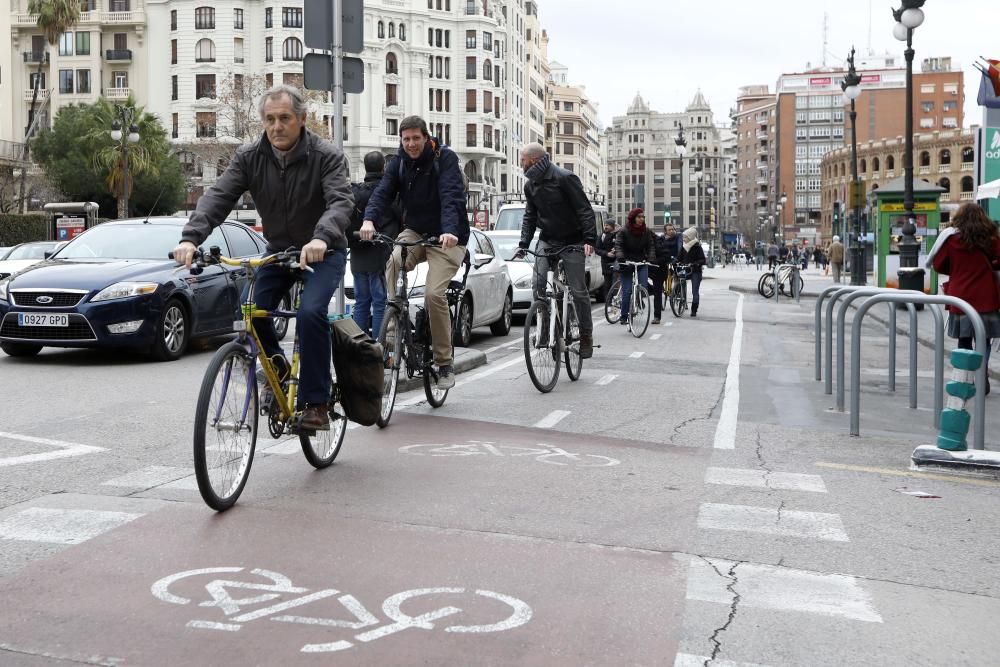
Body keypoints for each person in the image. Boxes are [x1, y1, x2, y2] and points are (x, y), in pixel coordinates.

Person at [172, 84, 352, 431]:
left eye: (284, 118)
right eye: (269, 119)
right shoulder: (249, 157)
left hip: (322, 251)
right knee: (249, 309)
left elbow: (341, 202)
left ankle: (316, 402)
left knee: (311, 313)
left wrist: (320, 237)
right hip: (279, 252)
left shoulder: (325, 156)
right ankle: (278, 372)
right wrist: (190, 238)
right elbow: (218, 197)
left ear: (302, 120)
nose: (276, 126)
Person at [360, 115, 468, 389]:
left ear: (426, 137)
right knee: (393, 261)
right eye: (405, 139)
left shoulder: (445, 159)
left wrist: (450, 230)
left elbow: (451, 196)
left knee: (433, 294)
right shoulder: (397, 163)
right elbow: (383, 193)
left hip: (448, 237)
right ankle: (394, 329)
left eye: (415, 138)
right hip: (417, 231)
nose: (410, 144)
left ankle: (444, 363)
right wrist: (369, 220)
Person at [515, 143, 596, 357]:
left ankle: (586, 335)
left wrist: (589, 239)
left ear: (532, 160)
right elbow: (530, 216)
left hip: (573, 240)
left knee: (578, 289)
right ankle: (544, 330)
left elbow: (584, 210)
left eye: (522, 160)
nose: (520, 163)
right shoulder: (530, 185)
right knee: (538, 284)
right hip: (548, 239)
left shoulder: (564, 178)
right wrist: (523, 244)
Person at [930, 203, 1000, 395]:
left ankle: (966, 377)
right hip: (986, 295)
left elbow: (938, 265)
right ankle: (982, 374)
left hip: (961, 297)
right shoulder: (991, 237)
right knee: (983, 339)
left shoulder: (952, 239)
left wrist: (957, 269)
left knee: (964, 339)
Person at [347, 151, 401, 338]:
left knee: (361, 302)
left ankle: (360, 348)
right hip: (380, 255)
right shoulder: (387, 193)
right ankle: (379, 347)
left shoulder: (356, 192)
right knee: (379, 303)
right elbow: (401, 218)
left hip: (357, 255)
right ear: (383, 168)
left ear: (365, 167)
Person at [614, 208, 656, 325]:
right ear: (633, 218)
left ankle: (637, 301)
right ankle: (623, 316)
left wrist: (651, 257)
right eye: (639, 217)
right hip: (626, 263)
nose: (642, 219)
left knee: (643, 287)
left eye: (643, 217)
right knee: (627, 291)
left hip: (641, 262)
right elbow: (618, 245)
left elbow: (650, 245)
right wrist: (621, 257)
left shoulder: (646, 231)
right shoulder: (623, 231)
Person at [649, 225, 679, 324]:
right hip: (646, 268)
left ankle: (657, 316)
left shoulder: (659, 241)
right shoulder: (641, 242)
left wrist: (655, 262)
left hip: (659, 269)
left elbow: (666, 256)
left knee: (657, 292)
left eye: (672, 229)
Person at [679, 227, 706, 317]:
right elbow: (678, 258)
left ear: (690, 237)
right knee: (680, 284)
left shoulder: (697, 247)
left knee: (695, 291)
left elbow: (702, 260)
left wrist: (695, 264)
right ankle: (681, 300)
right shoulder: (684, 247)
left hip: (695, 271)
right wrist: (673, 262)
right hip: (685, 269)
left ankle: (694, 309)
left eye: (685, 237)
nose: (684, 239)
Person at [596, 218, 618, 302]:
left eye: (607, 225)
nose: (605, 227)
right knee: (607, 284)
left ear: (612, 226)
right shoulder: (601, 236)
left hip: (617, 262)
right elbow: (597, 249)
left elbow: (621, 245)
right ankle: (608, 302)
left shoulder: (617, 235)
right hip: (605, 263)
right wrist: (606, 253)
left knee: (615, 283)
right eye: (605, 225)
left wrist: (615, 250)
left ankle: (615, 300)